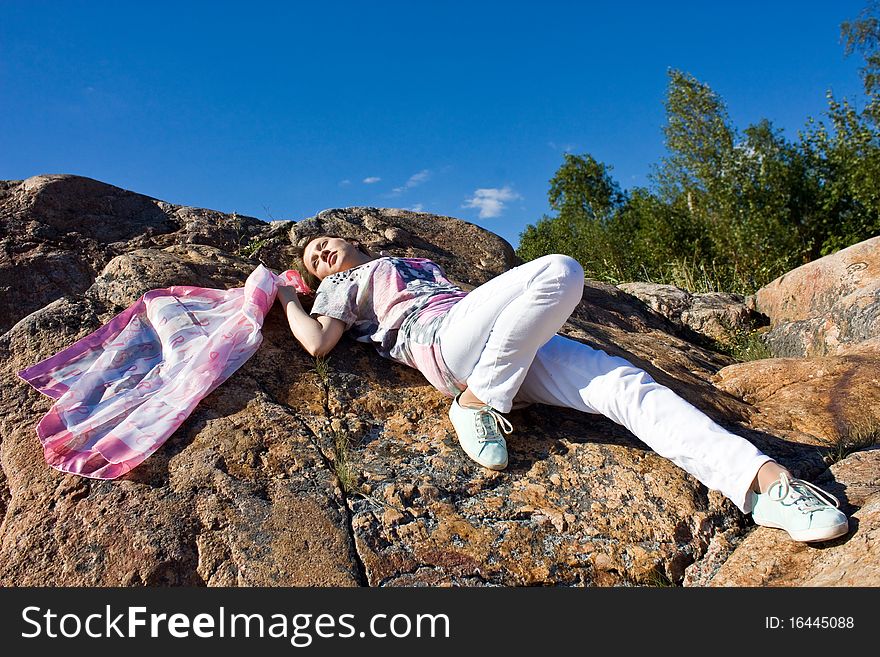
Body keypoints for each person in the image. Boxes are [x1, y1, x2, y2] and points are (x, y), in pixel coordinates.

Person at [275, 234, 850, 544]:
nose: (322, 253)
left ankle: (766, 486)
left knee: (626, 386)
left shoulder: (412, 260)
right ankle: (477, 401)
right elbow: (317, 343)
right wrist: (283, 296)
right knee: (560, 270)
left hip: (502, 347)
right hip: (446, 344)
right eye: (314, 260)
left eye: (326, 242)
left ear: (353, 238)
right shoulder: (346, 285)